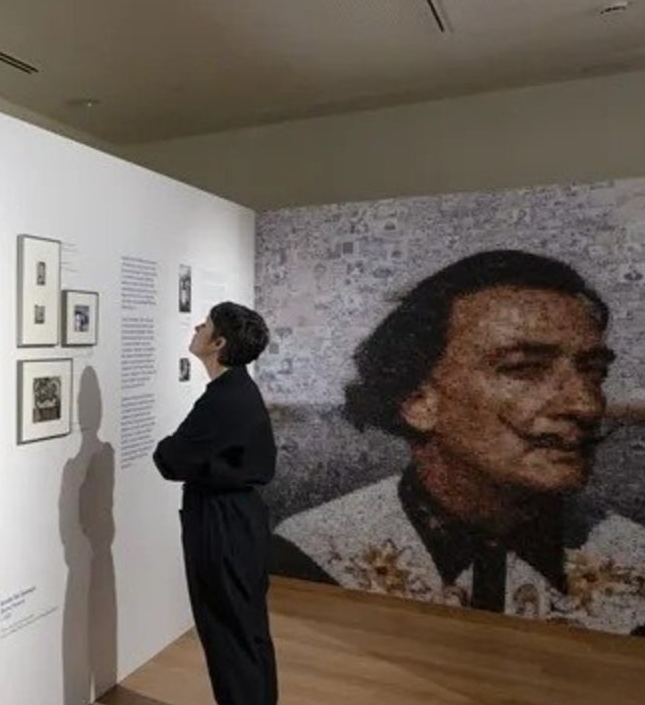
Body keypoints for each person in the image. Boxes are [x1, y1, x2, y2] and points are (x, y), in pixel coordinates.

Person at [272, 250, 645, 635]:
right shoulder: (314, 555)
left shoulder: (633, 563)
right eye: (524, 368)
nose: (585, 405)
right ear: (418, 401)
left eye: (594, 371)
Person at [154, 302, 281, 705]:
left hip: (222, 522)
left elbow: (169, 458)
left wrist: (197, 464)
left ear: (219, 343)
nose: (197, 327)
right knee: (247, 626)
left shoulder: (223, 399)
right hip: (239, 518)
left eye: (205, 325)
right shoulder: (238, 390)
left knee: (227, 629)